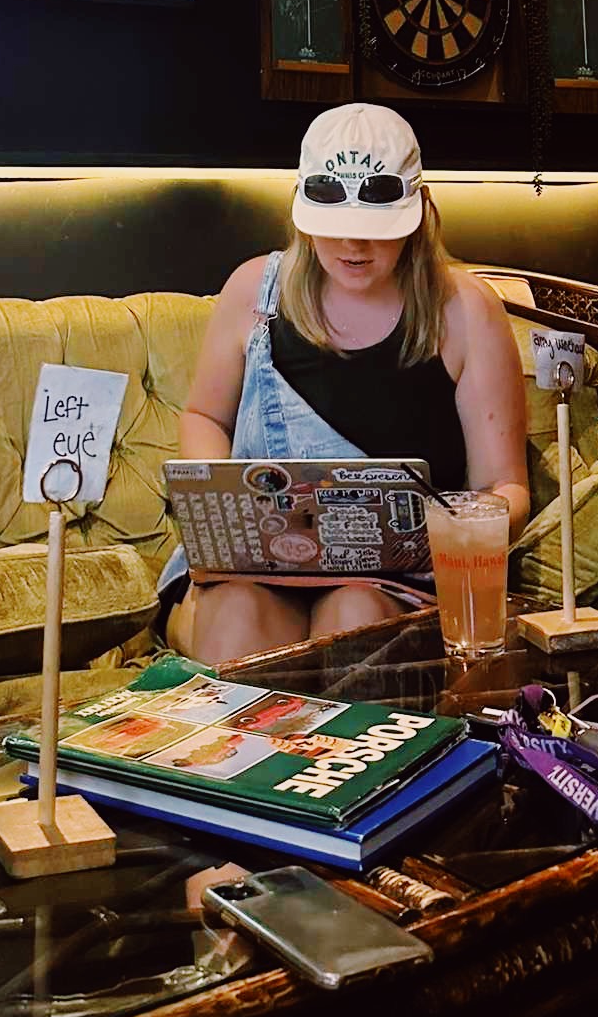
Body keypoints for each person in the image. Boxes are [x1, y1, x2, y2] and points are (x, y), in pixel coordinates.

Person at [166, 103, 529, 665]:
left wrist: (449, 529)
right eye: (334, 228)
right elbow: (204, 417)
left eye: (376, 232)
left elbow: (504, 486)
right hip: (253, 569)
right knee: (236, 619)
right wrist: (219, 506)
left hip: (394, 581)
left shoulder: (465, 311)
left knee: (352, 617)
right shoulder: (252, 294)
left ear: (421, 211)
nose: (354, 248)